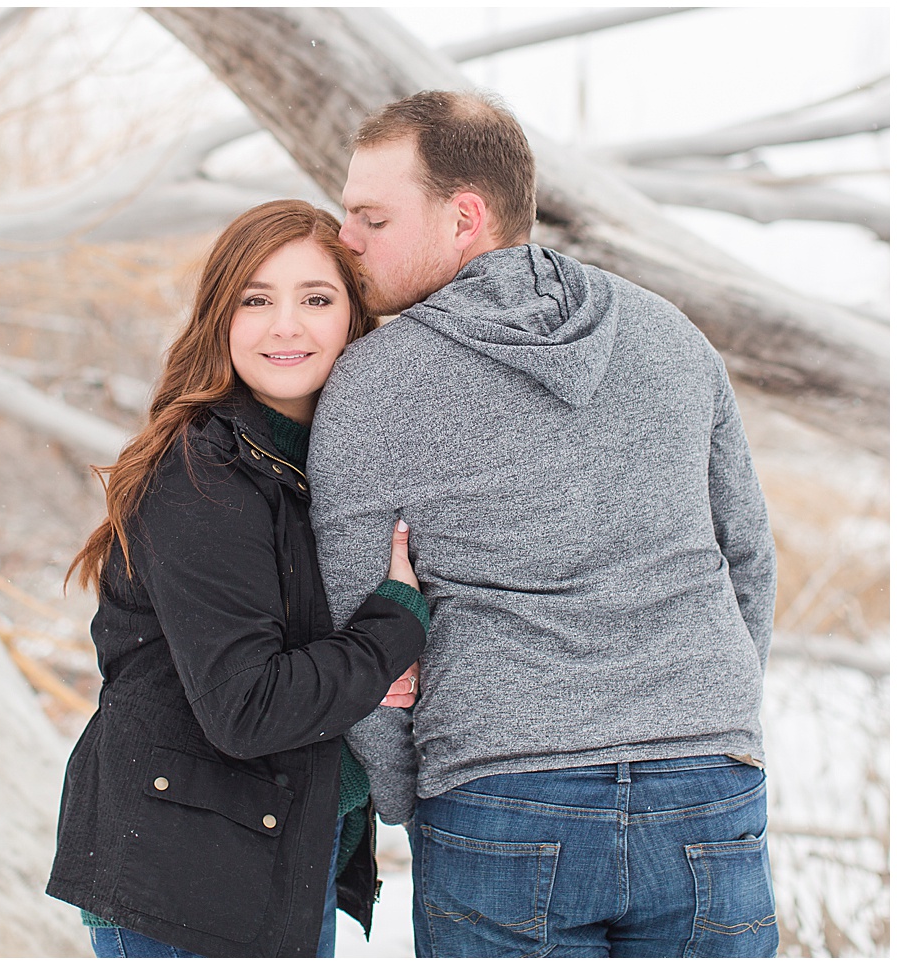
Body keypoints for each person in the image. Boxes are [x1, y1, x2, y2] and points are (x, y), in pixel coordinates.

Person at [307, 91, 780, 958]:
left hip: (499, 795)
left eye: (372, 217)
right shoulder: (671, 336)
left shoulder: (373, 384)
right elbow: (746, 555)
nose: (348, 240)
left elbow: (353, 613)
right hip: (706, 788)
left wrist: (411, 791)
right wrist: (712, 717)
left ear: (465, 217)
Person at [46, 199, 430, 958]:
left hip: (278, 854)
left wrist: (351, 669)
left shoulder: (319, 465)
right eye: (256, 299)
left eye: (315, 299)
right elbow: (248, 705)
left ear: (354, 318)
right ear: (220, 317)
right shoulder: (205, 472)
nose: (285, 324)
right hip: (185, 885)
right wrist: (389, 634)